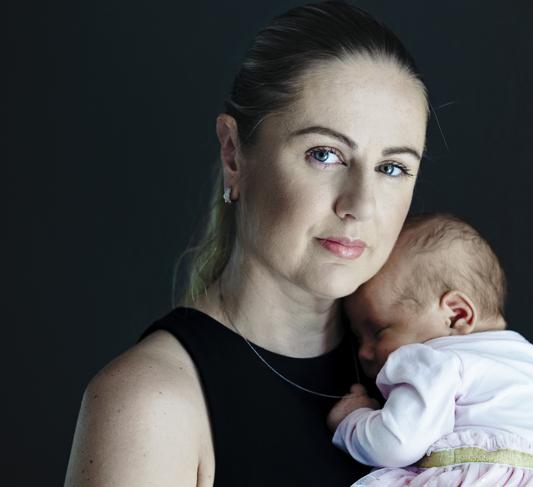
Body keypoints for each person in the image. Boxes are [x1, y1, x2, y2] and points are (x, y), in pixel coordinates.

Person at [63, 1, 431, 486]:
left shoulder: (431, 373)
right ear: (234, 155)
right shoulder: (150, 403)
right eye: (325, 154)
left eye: (392, 168)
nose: (360, 204)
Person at [327, 213, 533, 487]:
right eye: (358, 337)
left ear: (457, 315)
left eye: (378, 331)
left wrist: (353, 420)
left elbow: (396, 443)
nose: (364, 352)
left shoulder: (436, 359)